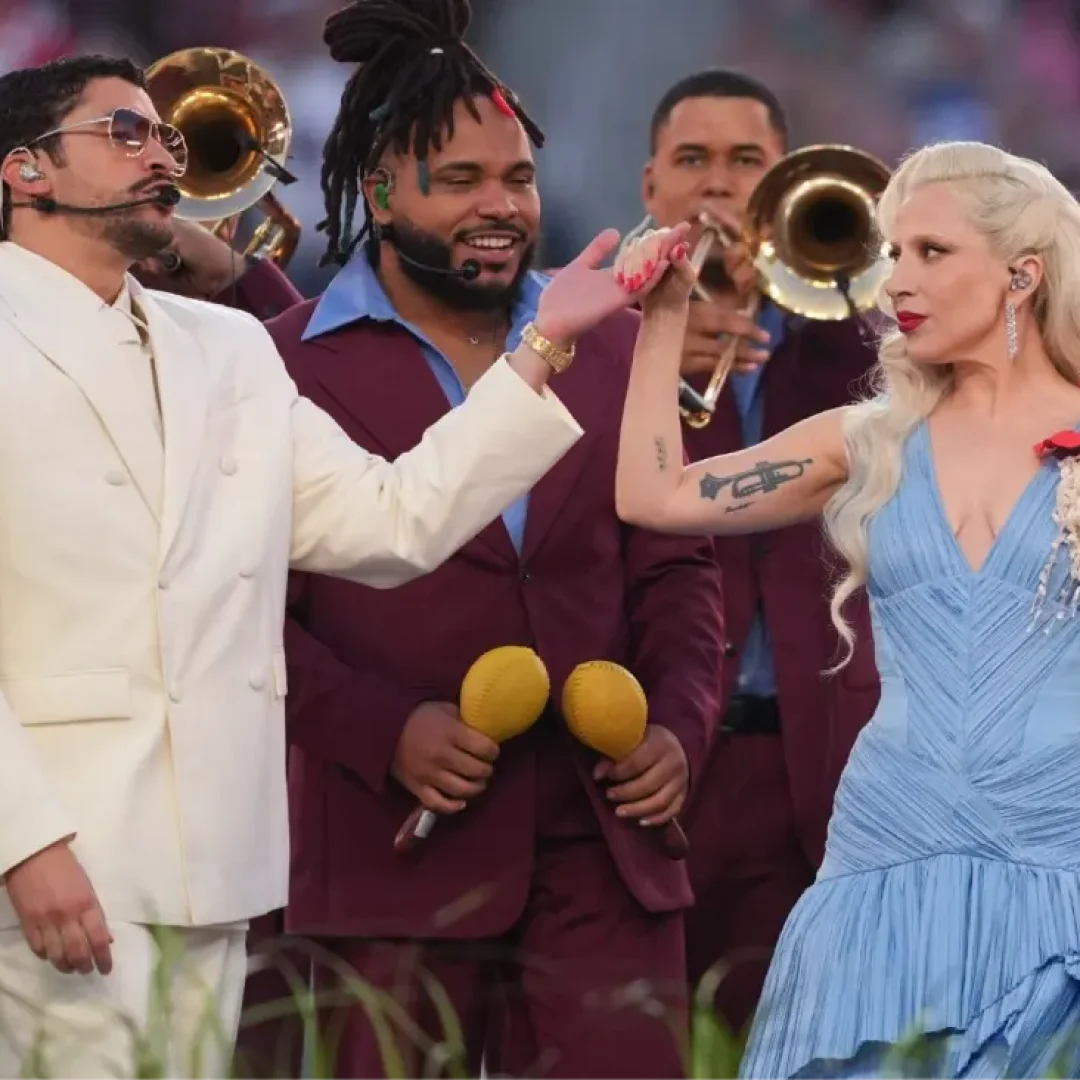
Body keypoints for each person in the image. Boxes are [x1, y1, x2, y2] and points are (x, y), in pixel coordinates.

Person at [0, 51, 648, 1080]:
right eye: (124, 132)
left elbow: (391, 521)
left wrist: (541, 353)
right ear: (25, 170)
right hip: (44, 860)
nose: (162, 151)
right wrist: (22, 846)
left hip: (212, 868)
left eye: (165, 136)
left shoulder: (227, 349)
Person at [229, 2, 725, 1078]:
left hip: (609, 844)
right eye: (459, 182)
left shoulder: (620, 343)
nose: (501, 208)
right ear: (376, 190)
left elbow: (679, 565)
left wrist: (679, 729)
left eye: (517, 178)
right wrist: (378, 728)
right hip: (391, 842)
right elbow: (240, 607)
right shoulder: (272, 364)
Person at [613, 141, 1080, 1078]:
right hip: (881, 859)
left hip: (1056, 859)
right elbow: (655, 497)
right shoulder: (867, 439)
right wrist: (661, 323)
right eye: (893, 252)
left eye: (930, 253)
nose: (894, 281)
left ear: (1022, 274)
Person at [638, 68, 880, 1031]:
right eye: (692, 160)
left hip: (819, 765)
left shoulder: (868, 348)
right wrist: (648, 351)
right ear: (650, 184)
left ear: (788, 182)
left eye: (747, 161)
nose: (718, 186)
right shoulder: (589, 345)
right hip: (648, 764)